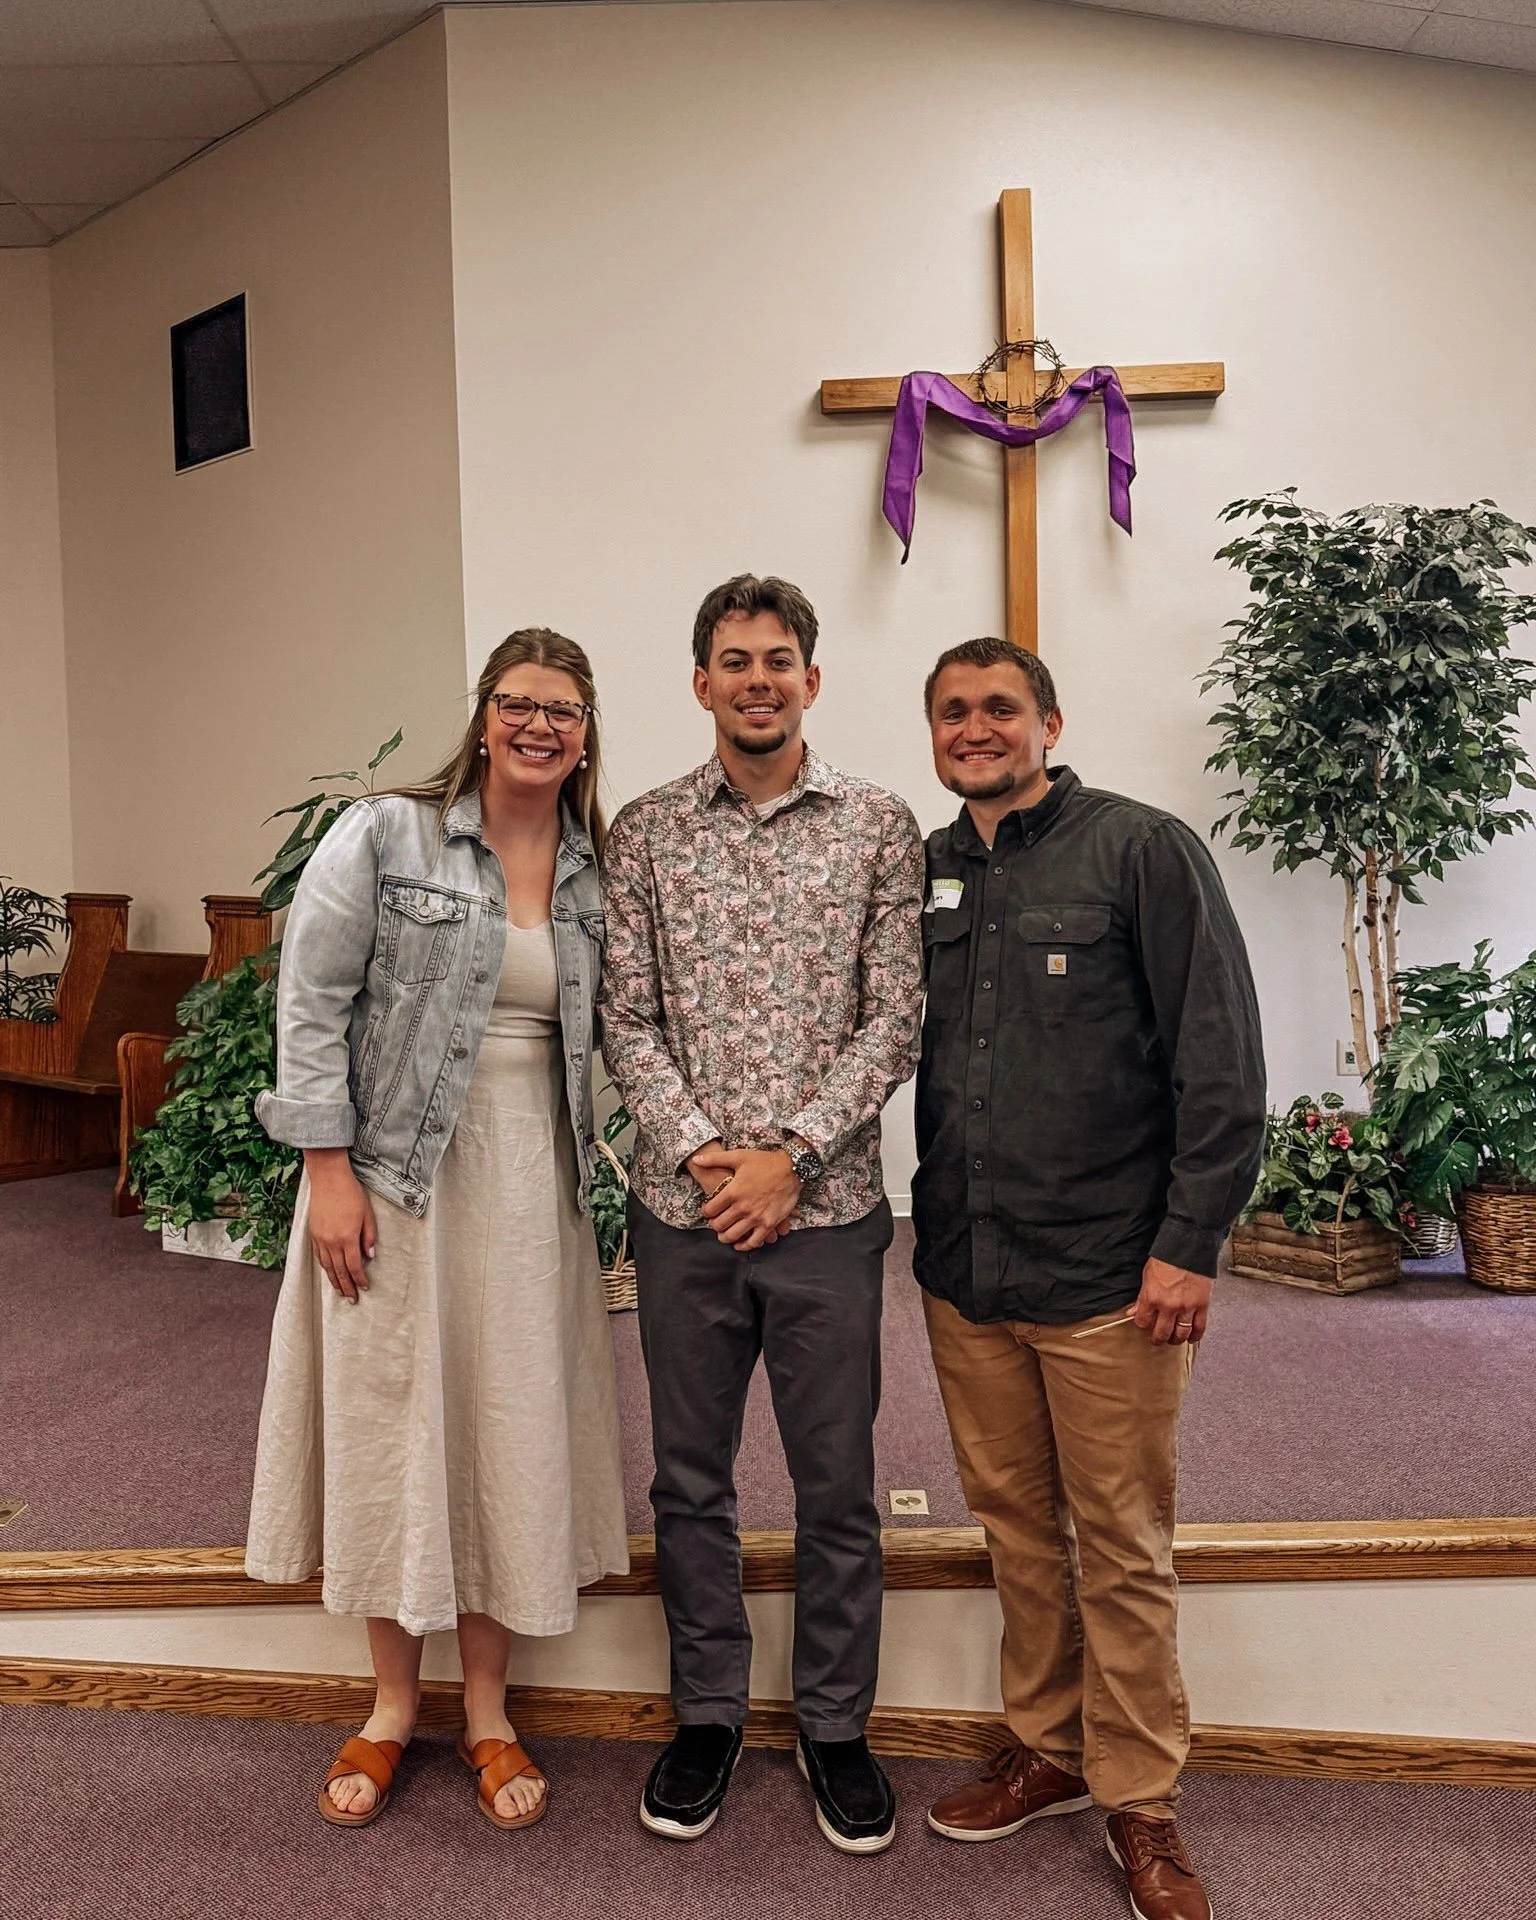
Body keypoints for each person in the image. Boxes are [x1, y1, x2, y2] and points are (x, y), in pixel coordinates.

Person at [246, 629, 628, 1831]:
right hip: (392, 1174)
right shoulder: (384, 835)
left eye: (562, 711)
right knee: (394, 1423)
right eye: (518, 703)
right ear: (482, 717)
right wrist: (329, 1167)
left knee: (506, 1424)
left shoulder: (594, 868)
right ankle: (390, 1707)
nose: (538, 726)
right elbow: (310, 1004)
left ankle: (491, 1712)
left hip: (531, 1184)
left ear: (585, 733)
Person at [912, 638, 1265, 1920]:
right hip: (967, 1268)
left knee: (1119, 1542)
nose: (976, 727)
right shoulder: (929, 869)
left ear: (1049, 721)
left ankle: (1141, 1799)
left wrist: (1190, 1243)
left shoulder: (1142, 850)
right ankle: (1049, 1749)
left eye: (999, 706)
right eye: (953, 712)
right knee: (1016, 1528)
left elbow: (1222, 1060)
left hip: (1114, 1272)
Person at [599, 574, 924, 1854]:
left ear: (812, 678)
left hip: (830, 1209)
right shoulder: (644, 834)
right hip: (683, 1217)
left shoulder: (880, 827)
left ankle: (838, 1728)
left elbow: (893, 1014)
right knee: (691, 1480)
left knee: (837, 1482)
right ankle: (709, 1715)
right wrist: (707, 1157)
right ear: (699, 682)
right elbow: (626, 1017)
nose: (757, 680)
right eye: (733, 661)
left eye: (778, 659)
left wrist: (787, 1154)